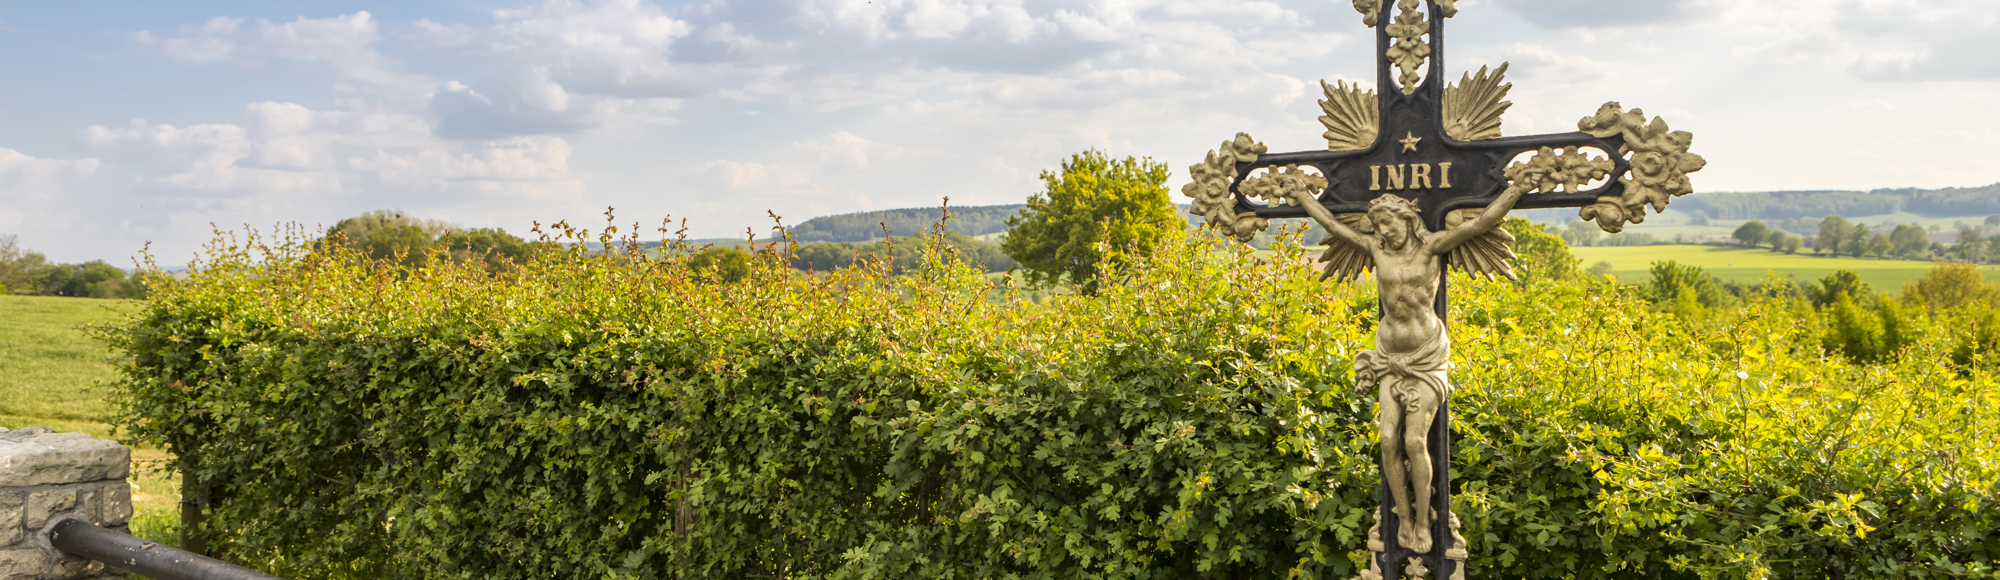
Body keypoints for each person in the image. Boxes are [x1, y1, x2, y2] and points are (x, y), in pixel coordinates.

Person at [1296, 189, 1524, 552]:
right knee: (1387, 440)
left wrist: (1516, 189)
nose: (1384, 232)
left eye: (1388, 224)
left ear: (1406, 218)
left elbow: (1481, 222)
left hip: (1425, 357)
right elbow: (1332, 225)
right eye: (1379, 226)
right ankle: (1402, 517)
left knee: (1414, 441)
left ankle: (1423, 523)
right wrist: (1301, 196)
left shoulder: (1432, 247)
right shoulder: (1376, 249)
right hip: (1388, 355)